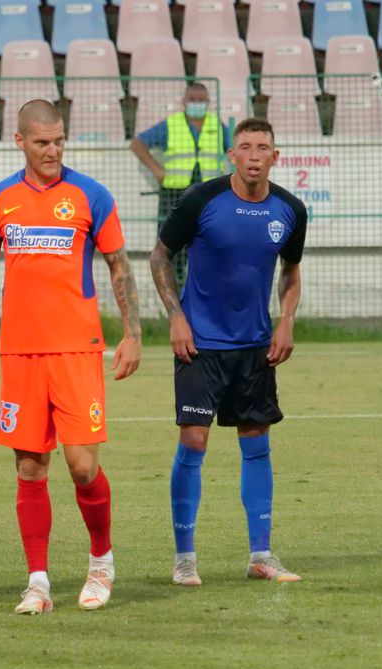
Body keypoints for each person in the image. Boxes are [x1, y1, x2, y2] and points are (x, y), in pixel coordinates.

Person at [0, 100, 142, 616]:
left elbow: (119, 266)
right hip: (20, 353)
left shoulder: (90, 195)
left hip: (77, 350)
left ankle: (101, 562)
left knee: (82, 467)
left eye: (59, 140)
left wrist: (132, 332)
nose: (53, 150)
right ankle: (37, 582)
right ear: (20, 142)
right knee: (31, 468)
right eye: (42, 142)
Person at [148, 117, 306, 587]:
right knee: (194, 441)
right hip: (200, 346)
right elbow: (159, 257)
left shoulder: (290, 210)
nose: (254, 154)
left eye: (263, 147)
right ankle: (184, 559)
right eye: (245, 146)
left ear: (275, 156)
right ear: (231, 156)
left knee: (256, 442)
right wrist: (176, 317)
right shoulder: (201, 200)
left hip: (256, 348)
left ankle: (261, 554)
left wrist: (286, 321)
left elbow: (291, 272)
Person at [130, 82, 232, 283]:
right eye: (192, 99)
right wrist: (156, 169)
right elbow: (137, 144)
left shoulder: (217, 125)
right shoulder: (171, 124)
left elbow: (234, 149)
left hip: (207, 193)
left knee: (204, 239)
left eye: (201, 100)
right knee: (172, 242)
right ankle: (173, 285)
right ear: (184, 101)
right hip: (174, 191)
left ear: (208, 102)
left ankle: (201, 284)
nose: (196, 103)